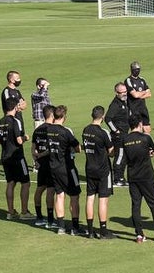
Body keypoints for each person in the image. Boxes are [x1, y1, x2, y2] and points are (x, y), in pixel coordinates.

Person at [120, 120, 154, 243]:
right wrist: (150, 155)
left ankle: (139, 235)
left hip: (132, 177)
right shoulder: (146, 138)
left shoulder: (125, 139)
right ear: (139, 124)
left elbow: (122, 158)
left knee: (136, 205)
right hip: (147, 177)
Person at [46, 105, 83, 236]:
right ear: (64, 117)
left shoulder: (48, 129)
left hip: (53, 166)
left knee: (59, 195)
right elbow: (77, 147)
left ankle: (61, 227)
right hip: (67, 168)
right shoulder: (65, 132)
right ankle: (75, 227)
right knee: (74, 196)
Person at [81, 105, 116, 239]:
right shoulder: (103, 132)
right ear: (103, 116)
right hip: (103, 170)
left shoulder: (85, 130)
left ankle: (90, 230)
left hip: (89, 168)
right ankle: (103, 230)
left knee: (90, 198)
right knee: (103, 200)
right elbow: (111, 153)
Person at [0, 98, 32, 220]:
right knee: (25, 183)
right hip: (17, 156)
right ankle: (24, 211)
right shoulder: (15, 121)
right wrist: (26, 137)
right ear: (15, 107)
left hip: (5, 156)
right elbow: (19, 140)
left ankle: (10, 212)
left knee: (10, 182)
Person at [30, 105, 56, 229]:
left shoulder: (38, 129)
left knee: (40, 188)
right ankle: (50, 219)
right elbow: (51, 148)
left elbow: (32, 148)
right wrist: (41, 155)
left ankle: (39, 217)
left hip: (41, 164)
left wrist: (36, 158)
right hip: (50, 163)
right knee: (50, 190)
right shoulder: (51, 129)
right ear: (51, 115)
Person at [105, 82, 131, 186]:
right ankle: (117, 178)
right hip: (119, 136)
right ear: (116, 93)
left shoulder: (123, 102)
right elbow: (108, 118)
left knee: (124, 156)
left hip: (124, 133)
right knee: (120, 156)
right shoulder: (115, 104)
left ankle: (120, 177)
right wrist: (116, 130)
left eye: (125, 91)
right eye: (122, 92)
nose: (125, 94)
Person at [125, 61, 153, 131]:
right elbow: (135, 95)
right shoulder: (128, 80)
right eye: (136, 70)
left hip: (143, 108)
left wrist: (139, 94)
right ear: (132, 70)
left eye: (138, 69)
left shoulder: (142, 80)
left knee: (147, 128)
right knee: (136, 129)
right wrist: (143, 92)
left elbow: (149, 94)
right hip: (134, 109)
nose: (137, 71)